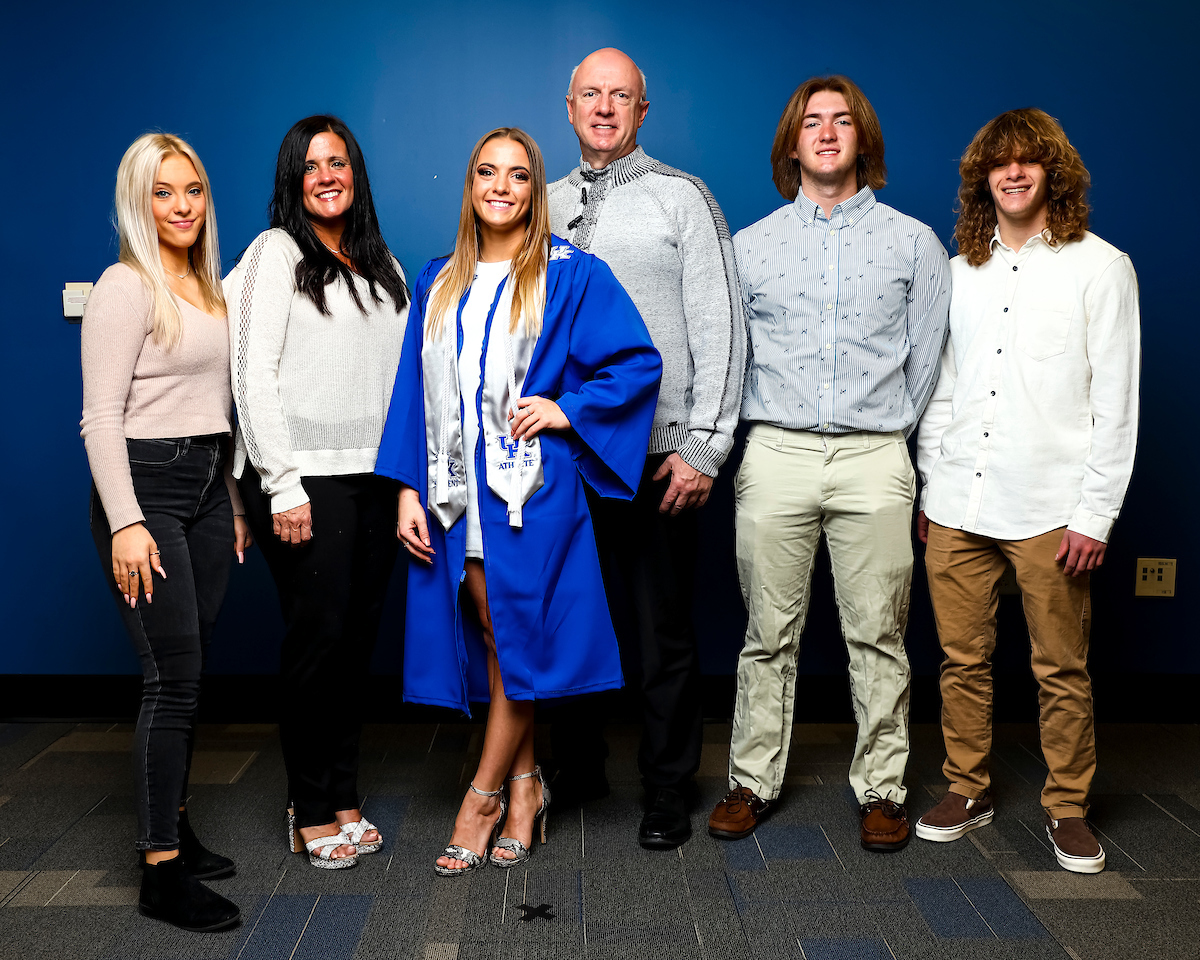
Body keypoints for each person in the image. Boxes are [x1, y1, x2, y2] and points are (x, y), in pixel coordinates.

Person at [375, 127, 661, 875]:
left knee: (515, 639)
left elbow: (636, 361)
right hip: (451, 496)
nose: (500, 186)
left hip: (527, 496)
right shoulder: (438, 279)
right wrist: (407, 487)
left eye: (518, 176)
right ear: (470, 184)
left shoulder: (569, 274)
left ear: (535, 190)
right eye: (486, 172)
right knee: (502, 641)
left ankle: (482, 796)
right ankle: (529, 787)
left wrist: (568, 408)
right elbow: (413, 390)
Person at [708, 76, 950, 851]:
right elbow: (733, 358)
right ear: (791, 142)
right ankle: (750, 780)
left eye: (842, 120)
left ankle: (883, 790)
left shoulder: (915, 243)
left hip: (876, 456)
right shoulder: (749, 246)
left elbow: (928, 365)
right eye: (811, 122)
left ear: (862, 139)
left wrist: (887, 443)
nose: (826, 132)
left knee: (878, 633)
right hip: (775, 451)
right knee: (766, 634)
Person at [914, 109, 1139, 874]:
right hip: (957, 503)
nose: (1012, 174)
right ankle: (966, 788)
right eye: (997, 163)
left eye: (1028, 162)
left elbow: (1118, 401)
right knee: (961, 660)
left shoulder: (1101, 267)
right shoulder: (959, 269)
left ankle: (1068, 807)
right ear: (982, 177)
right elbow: (943, 388)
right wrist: (930, 486)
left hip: (1052, 509)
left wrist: (1095, 515)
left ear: (1053, 173)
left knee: (1060, 667)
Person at [547, 47, 745, 849]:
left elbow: (722, 325)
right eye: (590, 94)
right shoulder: (539, 199)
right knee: (567, 619)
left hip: (657, 457)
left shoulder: (683, 198)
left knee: (659, 632)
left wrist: (703, 447)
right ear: (569, 108)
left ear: (642, 111)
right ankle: (576, 766)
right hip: (561, 458)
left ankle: (667, 788)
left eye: (620, 95)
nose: (603, 107)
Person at [225, 115, 410, 870]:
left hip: (373, 476)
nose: (327, 175)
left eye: (339, 162)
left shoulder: (383, 263)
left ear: (356, 174)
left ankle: (343, 795)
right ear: (292, 180)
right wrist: (279, 484)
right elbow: (249, 375)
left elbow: (402, 383)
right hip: (303, 478)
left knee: (355, 644)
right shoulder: (274, 253)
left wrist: (405, 482)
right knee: (319, 642)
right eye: (311, 165)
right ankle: (308, 803)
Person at [81, 133, 248, 931]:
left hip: (207, 489)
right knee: (170, 680)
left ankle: (174, 821)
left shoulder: (209, 286)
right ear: (137, 201)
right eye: (163, 192)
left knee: (195, 666)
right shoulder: (125, 284)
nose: (182, 206)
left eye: (193, 190)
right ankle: (160, 868)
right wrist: (125, 522)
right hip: (143, 490)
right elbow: (100, 418)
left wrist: (234, 502)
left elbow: (216, 411)